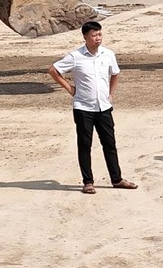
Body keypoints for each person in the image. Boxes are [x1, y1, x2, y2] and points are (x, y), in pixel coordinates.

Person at [49, 20, 136, 194]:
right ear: (85, 37)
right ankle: (88, 182)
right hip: (83, 107)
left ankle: (117, 179)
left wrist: (110, 95)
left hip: (104, 107)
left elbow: (115, 74)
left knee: (109, 143)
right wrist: (70, 89)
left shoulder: (108, 54)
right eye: (94, 35)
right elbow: (53, 70)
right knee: (85, 144)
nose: (98, 38)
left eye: (99, 34)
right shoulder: (75, 56)